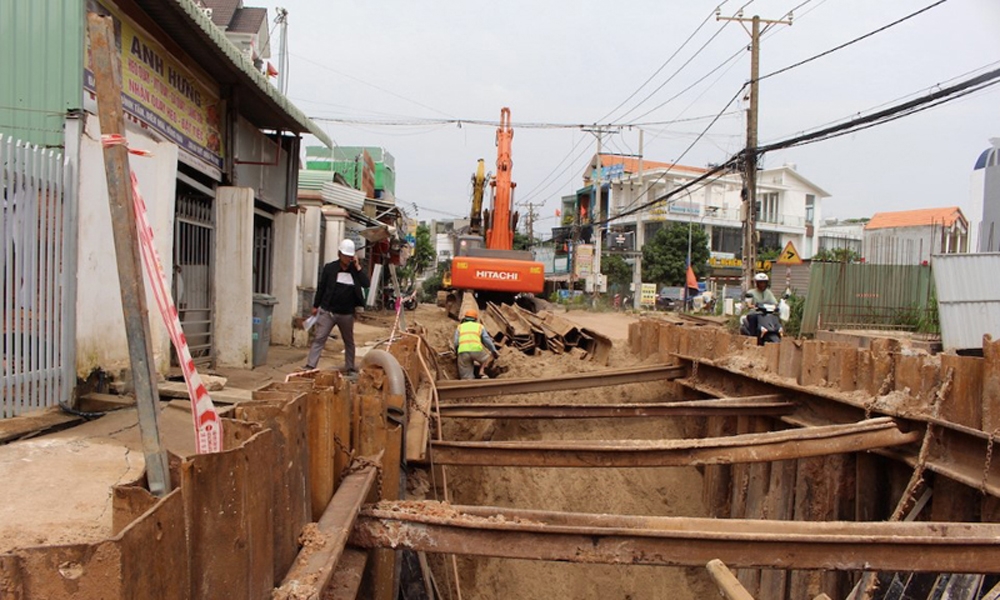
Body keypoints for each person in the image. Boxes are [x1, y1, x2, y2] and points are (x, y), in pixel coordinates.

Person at [305, 239, 370, 373]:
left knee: (349, 341)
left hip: (346, 314)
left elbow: (366, 284)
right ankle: (310, 365)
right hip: (328, 312)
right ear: (339, 254)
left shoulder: (355, 271)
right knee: (319, 338)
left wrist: (358, 268)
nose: (347, 258)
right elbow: (322, 288)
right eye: (345, 255)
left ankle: (350, 367)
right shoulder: (330, 268)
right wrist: (316, 305)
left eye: (349, 256)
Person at [453, 308, 499, 380]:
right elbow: (487, 340)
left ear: (465, 318)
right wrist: (493, 350)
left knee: (466, 377)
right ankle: (482, 372)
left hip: (463, 352)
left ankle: (468, 388)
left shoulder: (459, 327)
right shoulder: (479, 326)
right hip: (476, 350)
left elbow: (456, 342)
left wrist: (457, 352)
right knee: (487, 359)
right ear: (475, 319)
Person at [740, 272, 779, 337]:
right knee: (753, 317)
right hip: (755, 313)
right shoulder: (751, 292)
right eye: (760, 282)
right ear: (757, 283)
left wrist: (777, 307)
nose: (762, 285)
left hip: (766, 314)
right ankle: (752, 336)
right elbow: (749, 304)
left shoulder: (768, 292)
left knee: (775, 317)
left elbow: (775, 302)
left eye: (764, 283)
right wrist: (753, 306)